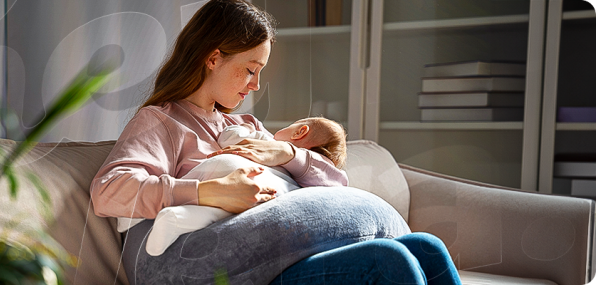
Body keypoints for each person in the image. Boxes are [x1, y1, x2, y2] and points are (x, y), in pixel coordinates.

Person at [89, 0, 461, 284]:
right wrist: (209, 191)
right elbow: (109, 191)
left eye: (260, 73)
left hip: (281, 256)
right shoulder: (162, 121)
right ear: (214, 58)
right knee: (387, 261)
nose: (255, 85)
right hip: (221, 262)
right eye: (250, 70)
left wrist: (288, 152)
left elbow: (334, 187)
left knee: (427, 247)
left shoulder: (245, 125)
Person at [116, 118, 349, 256]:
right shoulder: (287, 163)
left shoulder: (266, 140)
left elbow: (229, 137)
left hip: (237, 176)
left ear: (300, 132)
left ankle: (177, 216)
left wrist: (283, 150)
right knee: (220, 205)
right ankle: (173, 215)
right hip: (236, 172)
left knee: (225, 207)